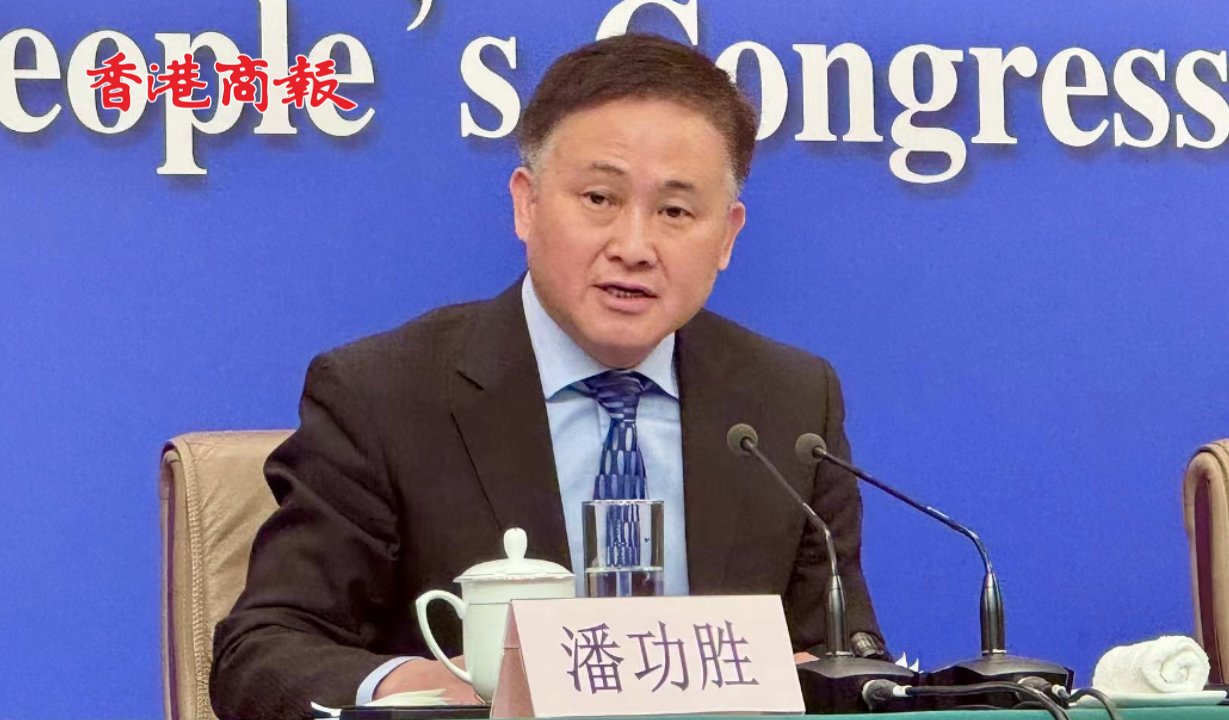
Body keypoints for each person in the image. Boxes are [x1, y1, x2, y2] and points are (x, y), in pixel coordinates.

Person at [210, 33, 886, 720]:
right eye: (599, 198)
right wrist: (426, 690)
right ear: (526, 204)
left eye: (676, 211)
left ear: (727, 236)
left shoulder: (790, 403)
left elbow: (846, 654)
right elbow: (263, 649)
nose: (634, 247)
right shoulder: (382, 394)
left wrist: (826, 680)